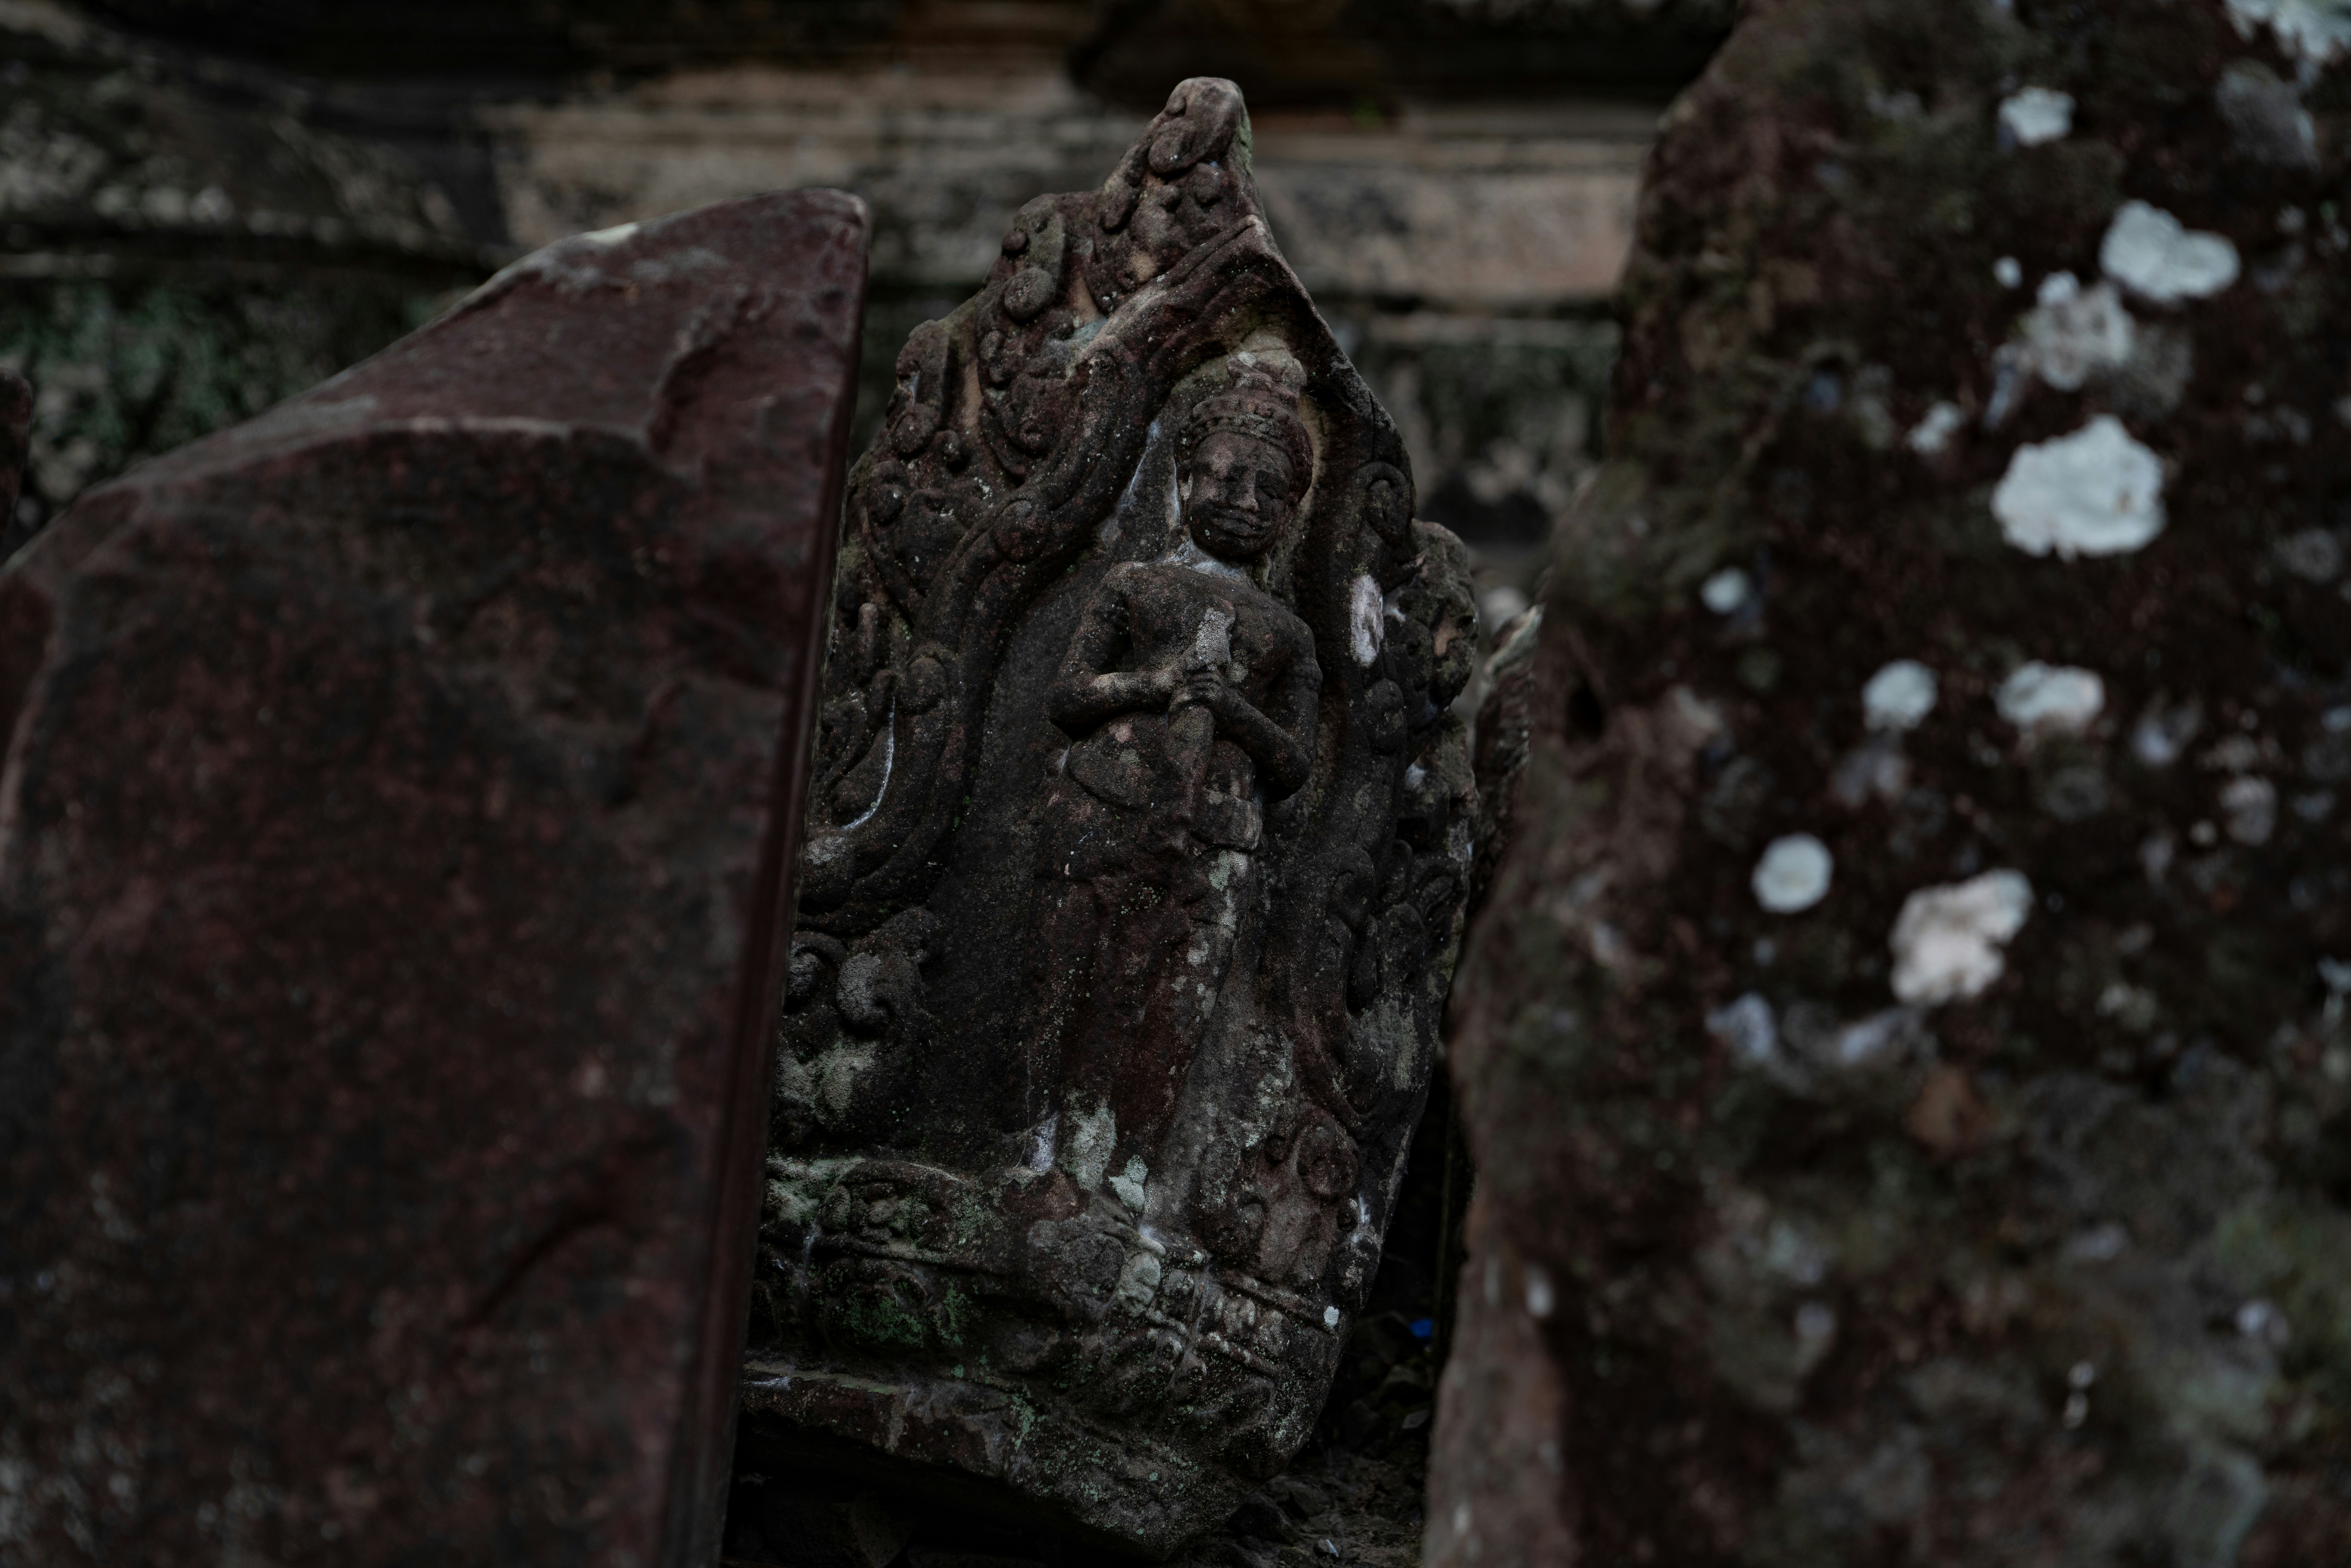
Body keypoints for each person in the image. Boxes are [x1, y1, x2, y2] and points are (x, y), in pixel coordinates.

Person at [1015, 359, 1322, 1205]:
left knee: (1166, 1012)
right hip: (1104, 803)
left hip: (1216, 835)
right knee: (1064, 980)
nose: (1243, 500)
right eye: (1224, 477)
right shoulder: (1135, 585)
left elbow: (1294, 761)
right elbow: (1070, 695)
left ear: (1292, 514)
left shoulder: (1287, 633)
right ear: (1184, 478)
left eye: (1269, 490)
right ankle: (1035, 1147)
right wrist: (1151, 686)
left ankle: (1126, 1175)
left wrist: (1234, 712)